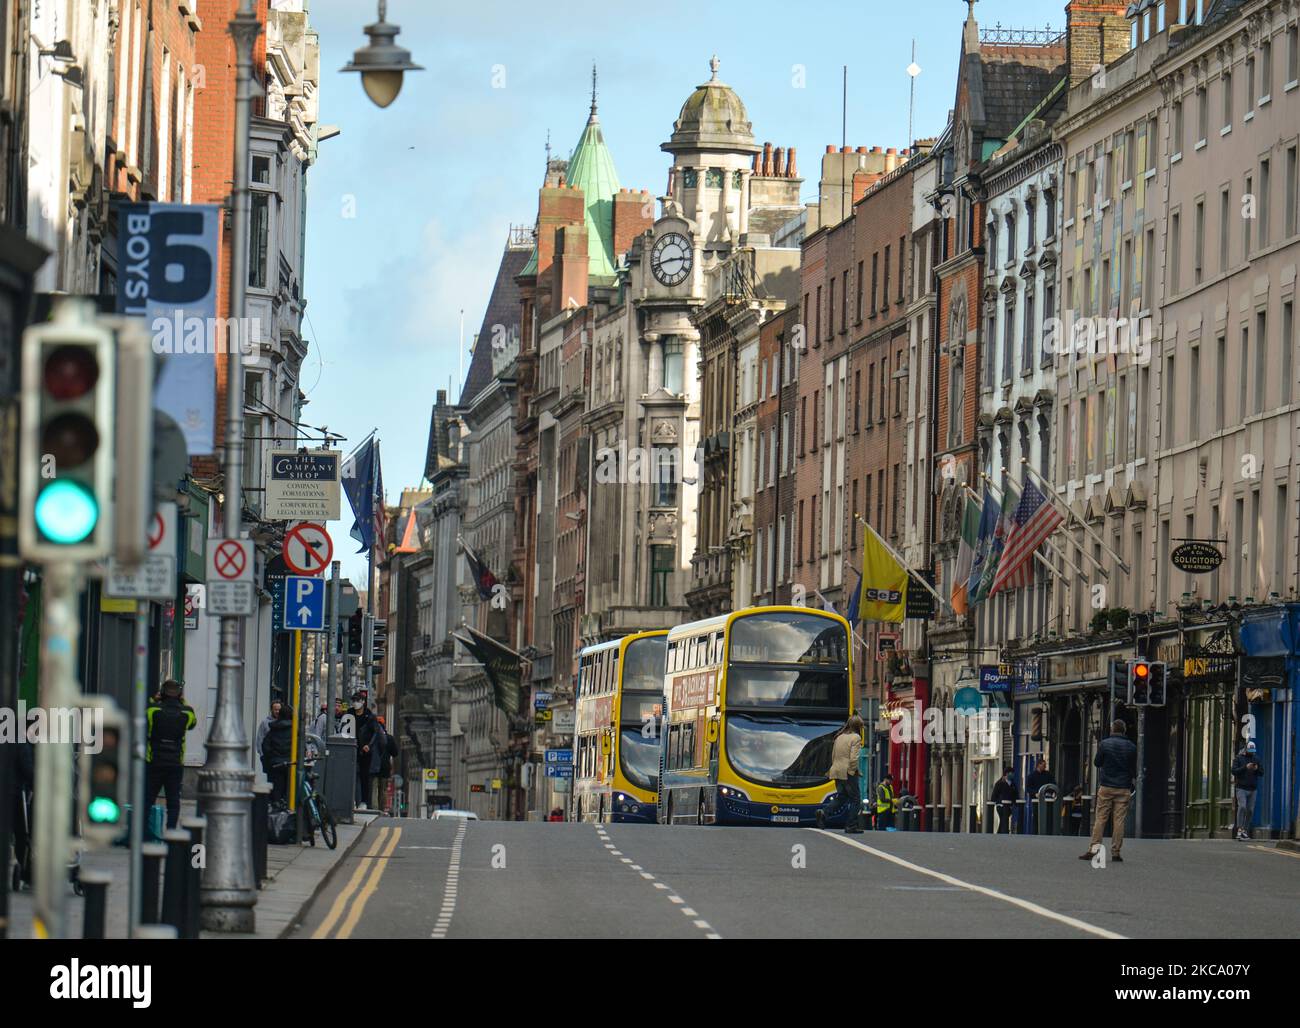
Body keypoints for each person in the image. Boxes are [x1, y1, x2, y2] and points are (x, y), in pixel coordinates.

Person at [1081, 719, 1138, 863]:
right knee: (1119, 821)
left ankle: (1094, 850)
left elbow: (1097, 762)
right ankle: (1116, 852)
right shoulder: (1131, 747)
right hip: (1123, 787)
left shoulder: (1105, 744)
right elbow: (1134, 769)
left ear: (1112, 730)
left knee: (1100, 818)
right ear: (1124, 730)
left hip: (1106, 786)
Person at [144, 679, 198, 830]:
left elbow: (145, 715)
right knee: (173, 802)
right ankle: (171, 832)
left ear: (162, 693)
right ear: (179, 694)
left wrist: (153, 699)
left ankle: (144, 833)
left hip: (154, 761)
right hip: (175, 763)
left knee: (148, 800)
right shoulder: (187, 712)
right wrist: (182, 700)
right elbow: (193, 724)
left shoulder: (152, 709)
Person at [821, 715, 864, 833]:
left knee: (842, 796)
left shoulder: (839, 737)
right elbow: (853, 758)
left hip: (836, 770)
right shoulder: (856, 738)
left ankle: (824, 813)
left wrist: (833, 769)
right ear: (858, 727)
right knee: (856, 799)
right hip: (847, 772)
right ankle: (851, 825)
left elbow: (833, 755)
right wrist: (852, 771)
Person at [260, 703, 294, 807]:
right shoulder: (294, 730)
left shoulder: (273, 729)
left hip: (276, 764)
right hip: (291, 764)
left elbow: (265, 746)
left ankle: (277, 811)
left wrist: (272, 757)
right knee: (290, 790)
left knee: (276, 791)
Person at [1231, 741, 1265, 841]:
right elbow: (1234, 771)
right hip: (1241, 788)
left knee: (1250, 810)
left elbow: (1261, 773)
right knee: (1242, 807)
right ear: (1246, 749)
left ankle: (1245, 830)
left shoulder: (1256, 759)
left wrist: (1256, 769)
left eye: (1253, 751)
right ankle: (1239, 829)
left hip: (1253, 789)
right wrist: (1245, 767)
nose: (1251, 753)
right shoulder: (1238, 758)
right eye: (1250, 751)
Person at [353, 692, 377, 810]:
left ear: (363, 702)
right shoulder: (349, 714)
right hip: (351, 748)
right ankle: (351, 799)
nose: (355, 703)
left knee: (364, 776)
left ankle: (364, 801)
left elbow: (375, 733)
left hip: (364, 750)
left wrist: (368, 745)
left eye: (357, 700)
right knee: (350, 774)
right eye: (354, 700)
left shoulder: (369, 716)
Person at [991, 766, 1018, 834]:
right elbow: (994, 795)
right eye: (1011, 773)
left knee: (1004, 820)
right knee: (1004, 819)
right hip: (1001, 806)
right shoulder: (999, 783)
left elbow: (1015, 794)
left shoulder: (1013, 784)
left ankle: (1000, 833)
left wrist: (1015, 803)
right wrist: (997, 802)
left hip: (1009, 806)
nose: (1013, 774)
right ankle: (1003, 833)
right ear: (1007, 773)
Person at [255, 699, 282, 764]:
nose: (277, 711)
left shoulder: (284, 722)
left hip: (281, 758)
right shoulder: (264, 723)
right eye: (275, 709)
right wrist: (262, 755)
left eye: (279, 710)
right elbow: (260, 739)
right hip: (268, 757)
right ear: (271, 710)